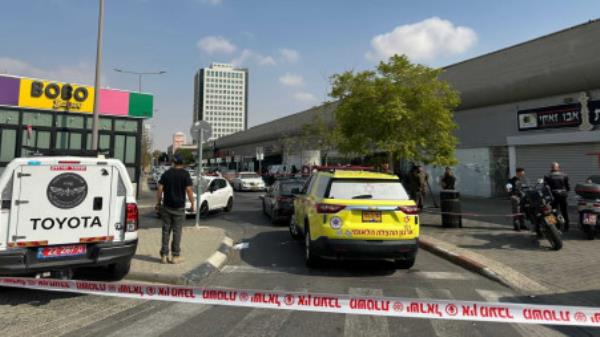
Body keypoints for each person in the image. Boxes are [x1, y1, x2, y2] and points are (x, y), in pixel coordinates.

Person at [155, 155, 195, 264]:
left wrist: (158, 203)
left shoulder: (166, 174)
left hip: (167, 206)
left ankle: (164, 255)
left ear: (173, 163)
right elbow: (189, 190)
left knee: (165, 231)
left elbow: (159, 188)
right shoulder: (185, 174)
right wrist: (192, 203)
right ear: (182, 164)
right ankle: (175, 256)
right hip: (179, 208)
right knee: (177, 232)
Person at [544, 162, 571, 232]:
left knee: (550, 211)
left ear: (551, 168)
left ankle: (553, 227)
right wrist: (565, 191)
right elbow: (568, 187)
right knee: (564, 211)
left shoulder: (547, 176)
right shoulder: (565, 175)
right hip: (563, 195)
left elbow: (545, 187)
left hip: (552, 196)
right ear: (559, 168)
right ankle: (567, 226)